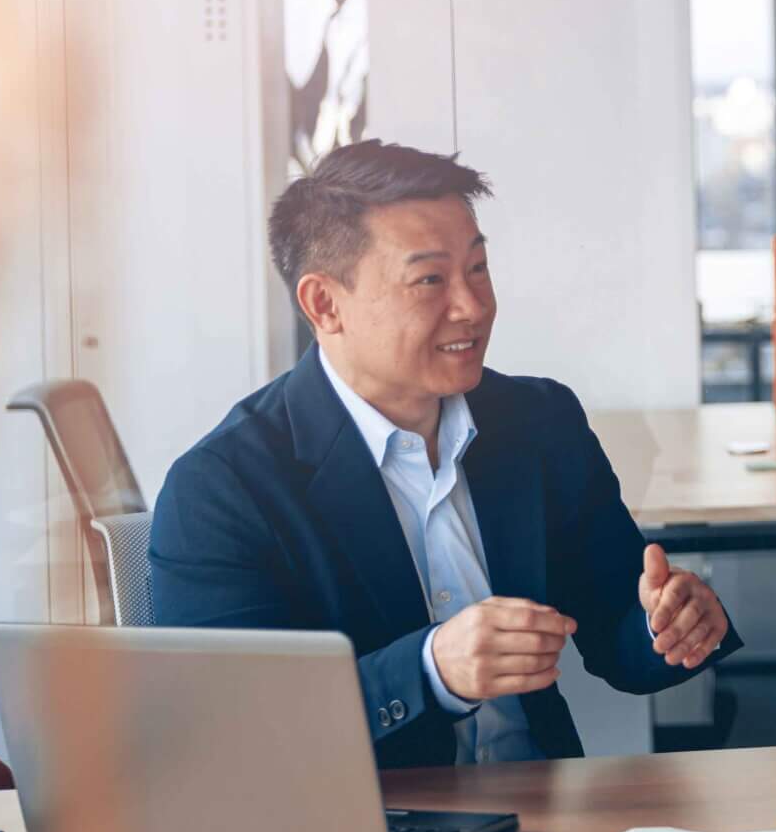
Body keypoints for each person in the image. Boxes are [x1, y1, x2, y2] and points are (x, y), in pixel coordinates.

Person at [150, 141, 741, 769]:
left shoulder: (540, 424)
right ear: (325, 304)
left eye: (478, 269)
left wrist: (671, 625)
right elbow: (233, 728)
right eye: (430, 279)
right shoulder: (222, 486)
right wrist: (432, 670)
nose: (473, 306)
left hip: (548, 817)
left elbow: (617, 627)